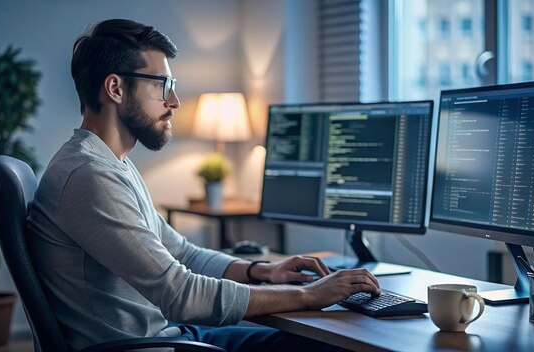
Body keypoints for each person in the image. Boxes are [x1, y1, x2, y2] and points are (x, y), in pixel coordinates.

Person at [27, 19, 380, 351]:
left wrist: (263, 271)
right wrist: (308, 295)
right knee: (327, 343)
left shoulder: (111, 164)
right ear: (116, 87)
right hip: (151, 347)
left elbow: (182, 253)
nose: (174, 101)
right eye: (162, 85)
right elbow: (181, 294)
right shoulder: (90, 176)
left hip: (163, 337)